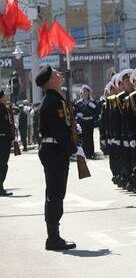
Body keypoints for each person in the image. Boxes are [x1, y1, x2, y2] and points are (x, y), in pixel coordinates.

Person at [37, 65, 85, 251]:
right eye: (56, 74)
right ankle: (53, 238)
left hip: (55, 150)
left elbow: (62, 125)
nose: (59, 74)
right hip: (54, 150)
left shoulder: (56, 99)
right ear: (50, 81)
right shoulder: (52, 101)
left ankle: (54, 235)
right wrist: (74, 149)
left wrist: (74, 130)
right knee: (55, 194)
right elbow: (57, 129)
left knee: (55, 193)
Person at [1, 91, 20, 196]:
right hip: (2, 139)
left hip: (5, 140)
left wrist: (13, 137)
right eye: (4, 96)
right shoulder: (2, 109)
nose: (6, 97)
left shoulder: (5, 108)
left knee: (4, 165)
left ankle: (1, 187)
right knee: (2, 165)